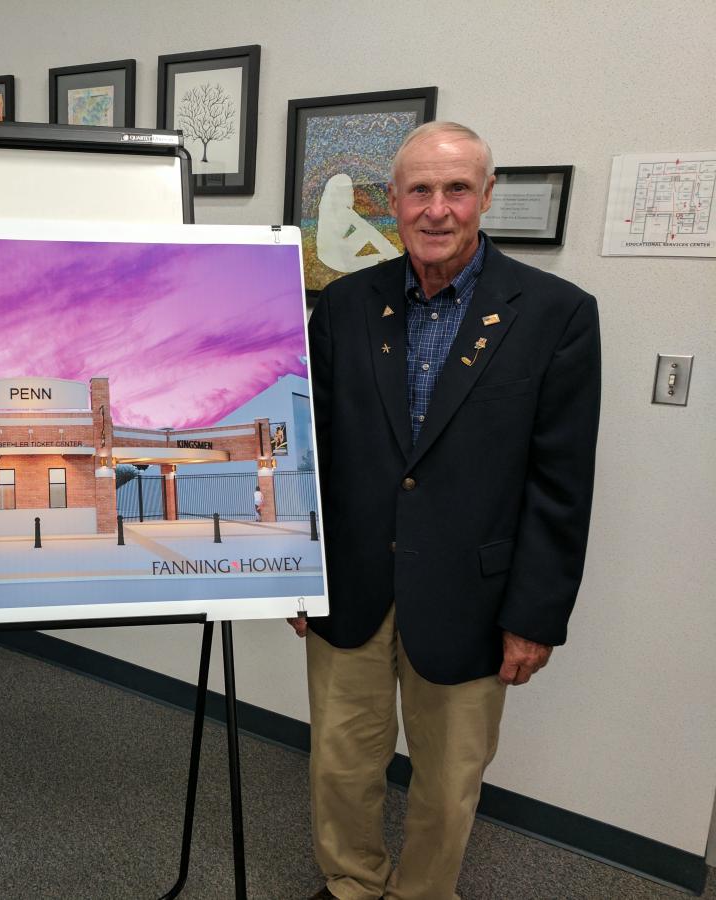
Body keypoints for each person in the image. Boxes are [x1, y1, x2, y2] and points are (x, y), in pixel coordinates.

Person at [294, 121, 600, 900]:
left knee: (447, 783)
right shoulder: (344, 306)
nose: (437, 209)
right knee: (340, 764)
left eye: (456, 189)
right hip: (353, 585)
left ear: (485, 197)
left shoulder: (556, 313)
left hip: (474, 596)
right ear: (392, 203)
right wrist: (298, 571)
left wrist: (535, 616)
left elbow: (560, 483)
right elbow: (311, 450)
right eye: (419, 191)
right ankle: (352, 884)